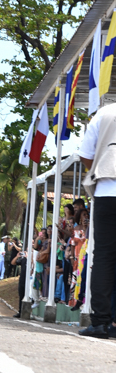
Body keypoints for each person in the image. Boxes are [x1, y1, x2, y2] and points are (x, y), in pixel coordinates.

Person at [79, 103, 116, 337]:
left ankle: (101, 322)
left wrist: (101, 168)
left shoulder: (104, 113)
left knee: (103, 257)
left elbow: (85, 155)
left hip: (107, 191)